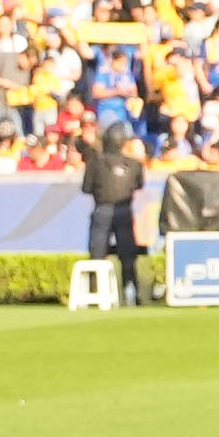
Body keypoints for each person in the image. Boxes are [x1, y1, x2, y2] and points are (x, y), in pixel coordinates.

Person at [79, 106, 148, 305]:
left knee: (97, 253)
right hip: (124, 211)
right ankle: (131, 291)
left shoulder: (95, 162)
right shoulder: (134, 165)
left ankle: (95, 294)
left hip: (102, 210)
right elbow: (139, 185)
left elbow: (86, 188)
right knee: (128, 254)